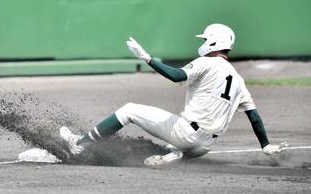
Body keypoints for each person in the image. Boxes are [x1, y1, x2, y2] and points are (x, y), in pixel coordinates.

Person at [60, 24, 287, 165]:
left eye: (206, 39)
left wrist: (146, 58)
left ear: (215, 42)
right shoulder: (238, 80)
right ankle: (174, 154)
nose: (204, 42)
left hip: (186, 133)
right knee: (176, 142)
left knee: (129, 110)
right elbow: (254, 116)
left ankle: (81, 144)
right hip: (204, 147)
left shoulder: (207, 63)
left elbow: (177, 76)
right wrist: (265, 146)